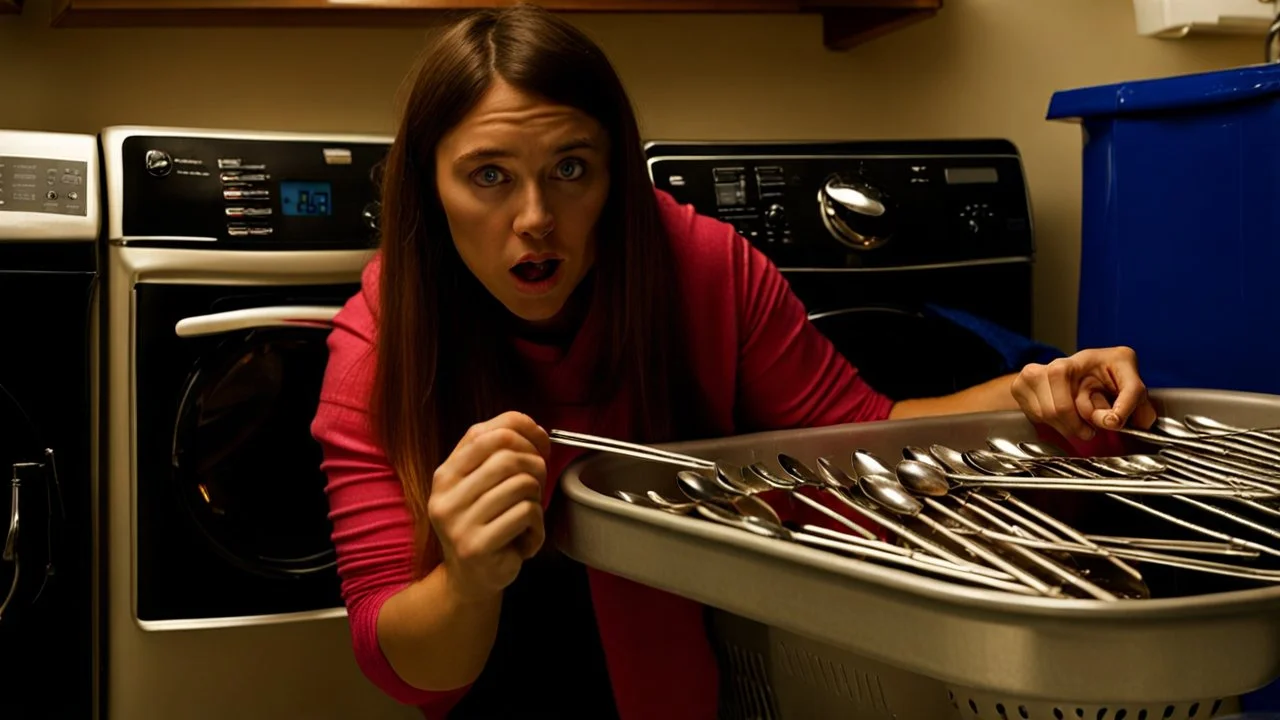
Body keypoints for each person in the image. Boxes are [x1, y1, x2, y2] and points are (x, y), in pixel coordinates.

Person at [310, 5, 1159, 719]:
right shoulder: (378, 349)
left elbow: (857, 444)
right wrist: (465, 577)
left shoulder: (703, 269)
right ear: (429, 188)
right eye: (488, 176)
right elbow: (397, 659)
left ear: (616, 173)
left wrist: (1032, 396)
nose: (536, 218)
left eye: (570, 168)